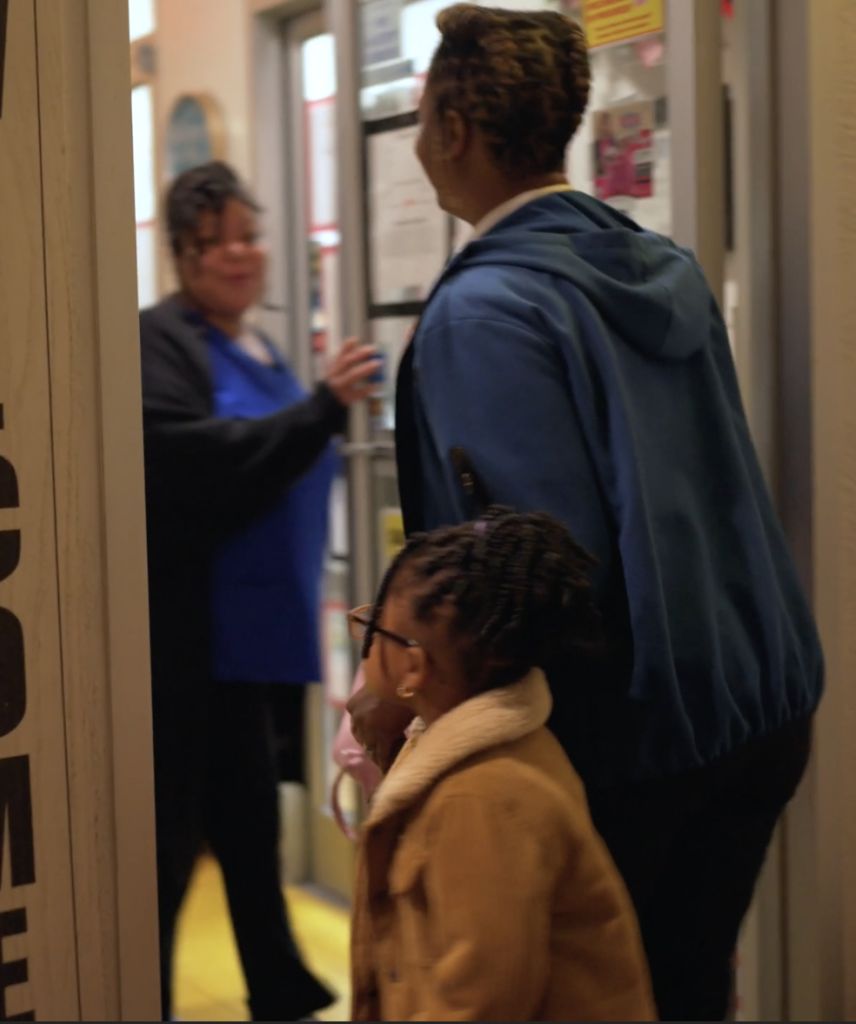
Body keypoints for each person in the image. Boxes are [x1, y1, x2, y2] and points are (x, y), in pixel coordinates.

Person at [349, 6, 823, 1021]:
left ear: (455, 132)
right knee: (688, 985)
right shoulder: (659, 267)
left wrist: (398, 680)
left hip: (632, 739)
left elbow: (526, 574)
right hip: (757, 699)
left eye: (424, 113)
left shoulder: (487, 311)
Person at [140, 161, 379, 1022]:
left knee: (249, 828)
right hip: (188, 642)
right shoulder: (160, 339)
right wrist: (320, 407)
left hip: (252, 639)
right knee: (169, 848)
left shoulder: (260, 341)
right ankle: (143, 999)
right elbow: (194, 458)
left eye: (248, 234)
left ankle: (278, 986)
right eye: (216, 243)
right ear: (180, 256)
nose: (238, 255)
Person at [349, 508, 656, 1022]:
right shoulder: (468, 756)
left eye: (374, 625)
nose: (365, 635)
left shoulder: (482, 802)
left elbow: (481, 1001)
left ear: (413, 667)